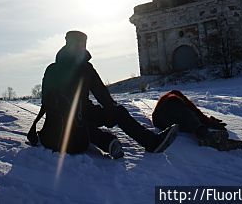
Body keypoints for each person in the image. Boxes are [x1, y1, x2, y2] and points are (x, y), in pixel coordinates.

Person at [27, 31, 178, 158]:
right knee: (82, 125)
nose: (81, 47)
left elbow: (102, 95)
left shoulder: (84, 68)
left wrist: (113, 111)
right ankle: (109, 142)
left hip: (84, 112)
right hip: (61, 120)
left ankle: (151, 142)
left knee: (117, 111)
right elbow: (47, 101)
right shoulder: (55, 70)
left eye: (82, 44)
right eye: (78, 44)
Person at [152, 90, 242, 151]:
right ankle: (205, 135)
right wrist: (207, 122)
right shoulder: (173, 97)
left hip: (163, 122)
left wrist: (207, 122)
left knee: (188, 119)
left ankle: (206, 136)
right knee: (186, 114)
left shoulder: (174, 99)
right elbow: (193, 111)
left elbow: (193, 112)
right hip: (163, 116)